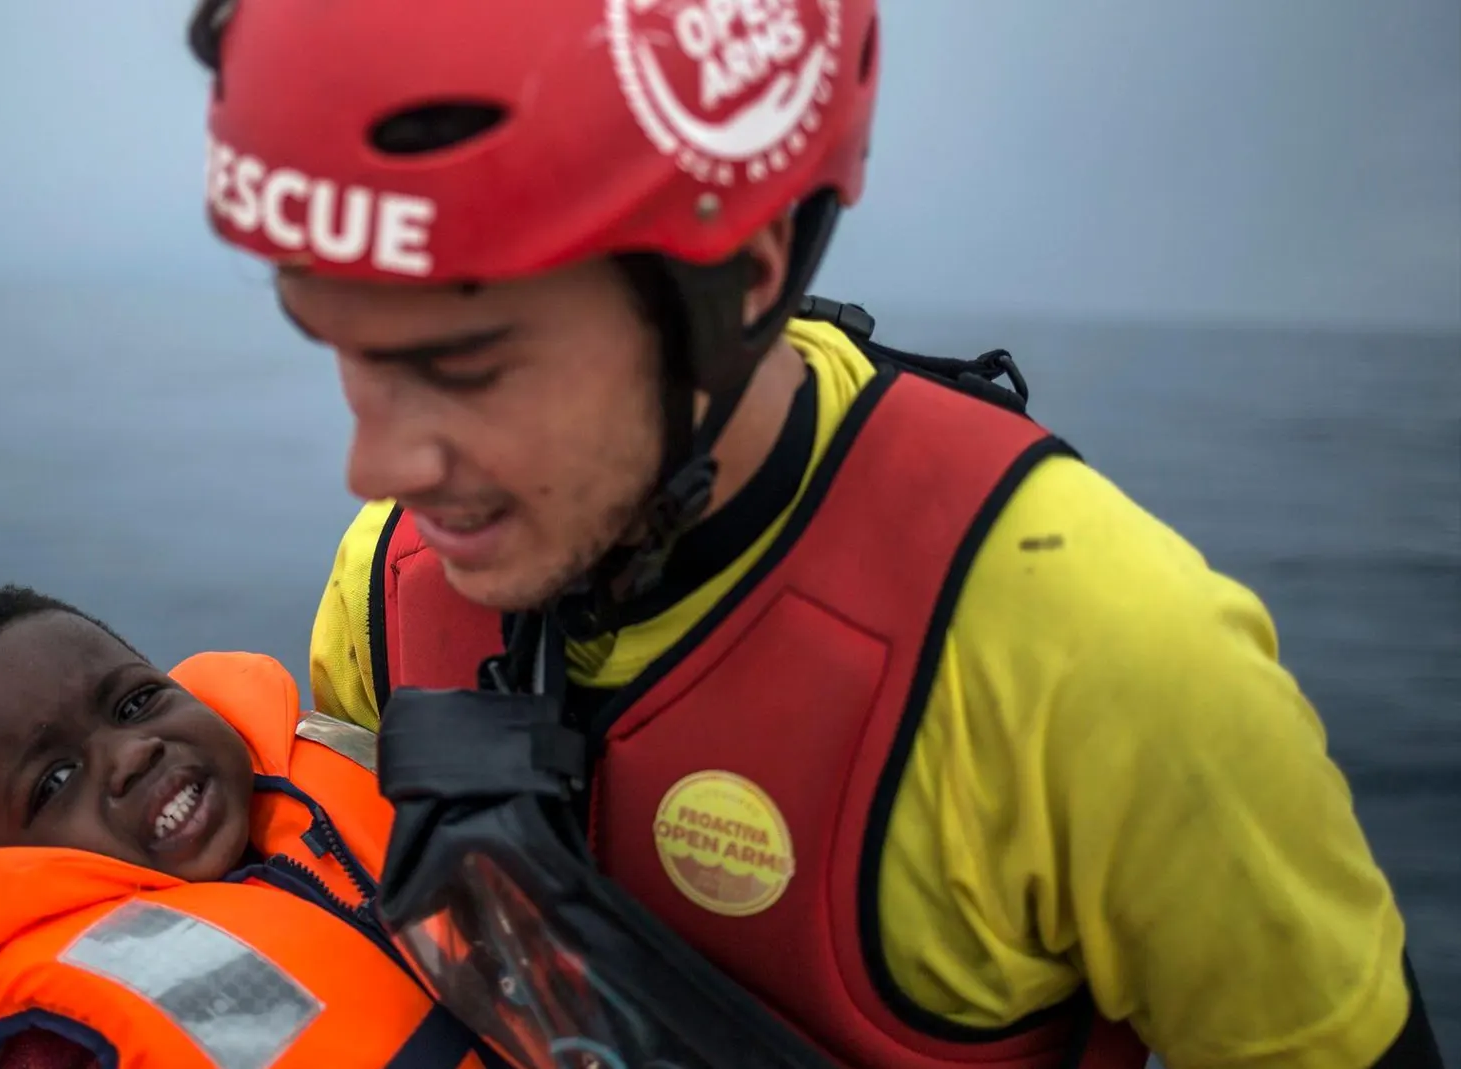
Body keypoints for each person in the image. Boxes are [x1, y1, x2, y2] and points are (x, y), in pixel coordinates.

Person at [185, 0, 1445, 1066]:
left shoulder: (1104, 659)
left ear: (744, 269)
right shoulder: (392, 584)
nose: (377, 467)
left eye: (470, 365)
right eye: (342, 350)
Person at [0, 584, 507, 1069]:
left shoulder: (347, 776)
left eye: (134, 702)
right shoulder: (56, 1043)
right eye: (54, 781)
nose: (130, 755)